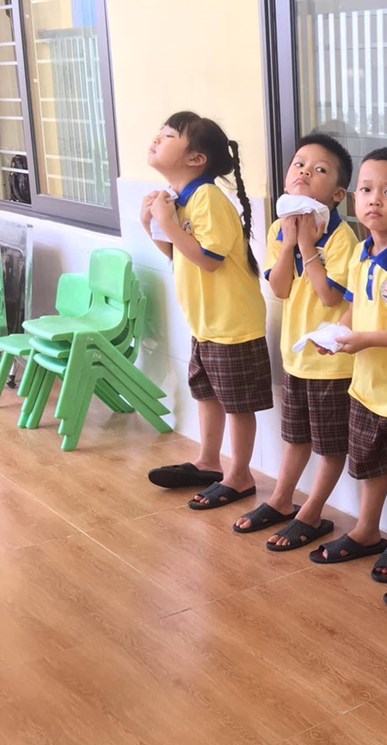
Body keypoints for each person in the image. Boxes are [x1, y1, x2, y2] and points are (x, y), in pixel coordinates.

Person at [307, 148, 387, 581]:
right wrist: (337, 334)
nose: (374, 199)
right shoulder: (362, 252)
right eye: (366, 189)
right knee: (372, 465)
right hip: (366, 387)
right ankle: (366, 529)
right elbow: (356, 306)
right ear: (353, 197)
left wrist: (365, 340)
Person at [233, 134, 358, 550]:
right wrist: (289, 243)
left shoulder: (342, 238)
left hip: (332, 362)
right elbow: (281, 288)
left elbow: (330, 297)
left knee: (330, 445)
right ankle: (282, 499)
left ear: (338, 194)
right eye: (299, 164)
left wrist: (307, 244)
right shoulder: (278, 227)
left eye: (319, 169)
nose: (304, 172)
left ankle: (313, 511)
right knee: (296, 436)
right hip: (296, 356)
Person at [142, 111, 270, 510]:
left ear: (196, 159)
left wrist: (166, 221)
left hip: (233, 323)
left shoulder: (208, 198)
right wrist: (151, 223)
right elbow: (178, 253)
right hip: (206, 322)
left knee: (237, 405)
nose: (157, 139)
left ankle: (240, 475)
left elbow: (209, 259)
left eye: (168, 135)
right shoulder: (181, 199)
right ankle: (208, 462)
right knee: (207, 395)